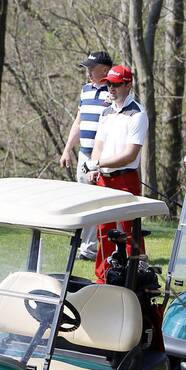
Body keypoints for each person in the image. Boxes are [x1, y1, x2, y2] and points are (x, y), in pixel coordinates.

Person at [82, 64, 147, 283]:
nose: (111, 88)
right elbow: (99, 143)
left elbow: (130, 155)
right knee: (104, 231)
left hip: (126, 178)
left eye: (117, 84)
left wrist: (97, 163)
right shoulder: (107, 111)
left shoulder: (137, 114)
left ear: (128, 85)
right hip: (104, 179)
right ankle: (103, 278)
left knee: (130, 232)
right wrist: (94, 165)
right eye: (109, 83)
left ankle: (136, 277)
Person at [60, 51, 113, 261]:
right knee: (85, 200)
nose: (89, 73)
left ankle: (104, 248)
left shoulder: (114, 91)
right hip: (85, 154)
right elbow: (79, 121)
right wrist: (67, 149)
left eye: (92, 69)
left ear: (105, 70)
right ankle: (88, 248)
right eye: (87, 69)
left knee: (103, 202)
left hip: (106, 157)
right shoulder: (85, 90)